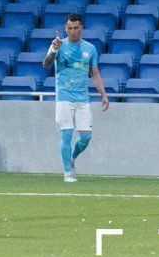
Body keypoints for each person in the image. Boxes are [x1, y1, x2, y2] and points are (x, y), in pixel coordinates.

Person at [42, 13, 110, 183]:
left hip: (82, 99)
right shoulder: (58, 44)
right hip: (64, 97)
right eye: (69, 28)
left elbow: (95, 75)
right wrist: (54, 49)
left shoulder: (90, 49)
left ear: (81, 28)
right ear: (65, 28)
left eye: (75, 28)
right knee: (66, 135)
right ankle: (68, 172)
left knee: (86, 138)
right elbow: (46, 63)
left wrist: (103, 94)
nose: (72, 31)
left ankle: (72, 157)